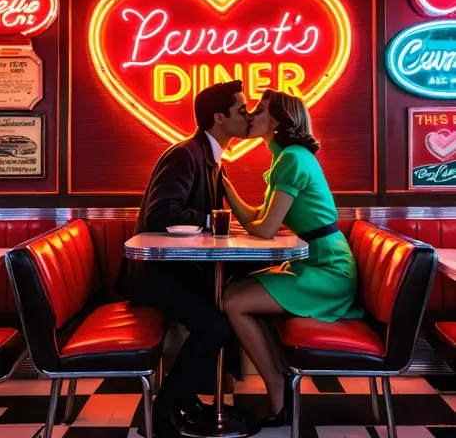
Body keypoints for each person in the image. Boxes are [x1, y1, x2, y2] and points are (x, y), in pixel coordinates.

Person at [116, 80, 250, 438]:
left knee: (227, 311)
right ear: (219, 118)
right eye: (242, 110)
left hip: (180, 270)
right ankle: (165, 407)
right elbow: (162, 212)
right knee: (217, 325)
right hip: (156, 275)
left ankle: (188, 399)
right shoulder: (185, 154)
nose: (248, 116)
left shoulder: (210, 158)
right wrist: (211, 220)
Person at [223, 89, 363, 426]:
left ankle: (277, 386)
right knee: (235, 293)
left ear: (279, 120)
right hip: (315, 262)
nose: (251, 115)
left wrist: (224, 186)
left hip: (328, 269)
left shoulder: (292, 158)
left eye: (259, 109)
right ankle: (280, 380)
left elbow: (265, 229)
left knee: (232, 300)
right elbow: (259, 218)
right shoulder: (285, 156)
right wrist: (225, 185)